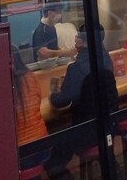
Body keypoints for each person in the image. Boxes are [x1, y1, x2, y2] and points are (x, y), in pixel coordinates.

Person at [44, 24, 117, 180]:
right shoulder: (106, 58)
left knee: (52, 162)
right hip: (109, 125)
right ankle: (113, 168)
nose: (75, 39)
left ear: (84, 41)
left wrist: (52, 95)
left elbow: (61, 101)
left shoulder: (76, 67)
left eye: (77, 36)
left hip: (86, 132)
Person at [11, 45, 51, 173]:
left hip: (20, 154)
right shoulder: (31, 77)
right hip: (42, 146)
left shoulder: (2, 85)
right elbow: (37, 103)